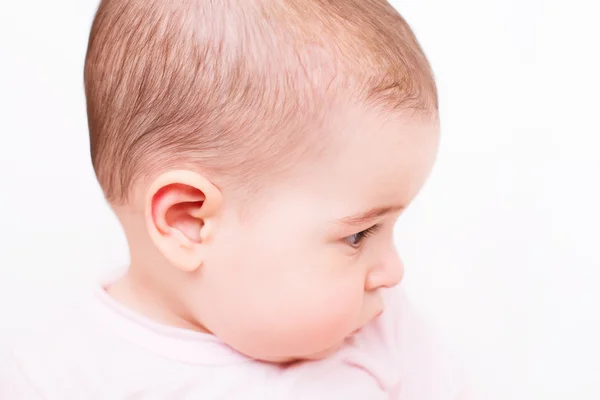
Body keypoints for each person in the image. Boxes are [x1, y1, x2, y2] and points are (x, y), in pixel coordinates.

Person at [1, 0, 471, 398]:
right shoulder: (51, 377)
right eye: (358, 235)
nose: (393, 271)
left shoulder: (384, 335)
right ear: (190, 221)